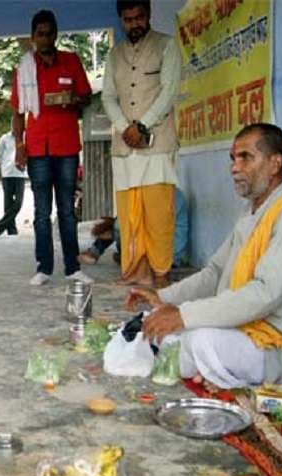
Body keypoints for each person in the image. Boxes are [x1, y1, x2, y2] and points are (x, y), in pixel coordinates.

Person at [126, 124, 282, 390]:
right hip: (240, 331)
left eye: (246, 157)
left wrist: (184, 315)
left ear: (275, 163)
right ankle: (214, 371)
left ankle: (217, 371)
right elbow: (215, 273)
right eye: (233, 159)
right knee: (157, 332)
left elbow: (264, 294)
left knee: (199, 340)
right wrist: (163, 299)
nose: (234, 167)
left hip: (278, 346)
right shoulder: (251, 212)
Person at [102, 0, 182, 287]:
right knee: (129, 213)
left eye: (139, 17)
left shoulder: (167, 45)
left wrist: (143, 125)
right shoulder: (114, 55)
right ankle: (136, 269)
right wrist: (126, 128)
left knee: (158, 212)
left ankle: (161, 272)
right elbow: (108, 97)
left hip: (157, 143)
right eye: (128, 19)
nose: (134, 24)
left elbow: (169, 91)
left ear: (148, 16)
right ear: (121, 20)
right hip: (124, 146)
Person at [11, 9, 93, 285]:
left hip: (67, 146)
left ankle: (73, 268)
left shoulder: (71, 61)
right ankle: (44, 268)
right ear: (33, 37)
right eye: (40, 34)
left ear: (56, 34)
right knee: (41, 213)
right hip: (37, 150)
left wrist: (73, 99)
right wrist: (19, 145)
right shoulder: (23, 68)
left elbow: (86, 97)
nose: (45, 38)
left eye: (49, 33)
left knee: (67, 211)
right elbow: (17, 113)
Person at [79, 187, 190, 268]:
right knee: (124, 222)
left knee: (123, 225)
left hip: (164, 259)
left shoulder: (160, 195)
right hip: (172, 257)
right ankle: (99, 251)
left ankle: (97, 251)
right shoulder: (168, 191)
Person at [0, 130, 28, 236]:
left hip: (20, 173)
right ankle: (11, 230)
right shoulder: (4, 138)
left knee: (18, 202)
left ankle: (1, 224)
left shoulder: (25, 136)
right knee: (8, 203)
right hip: (7, 173)